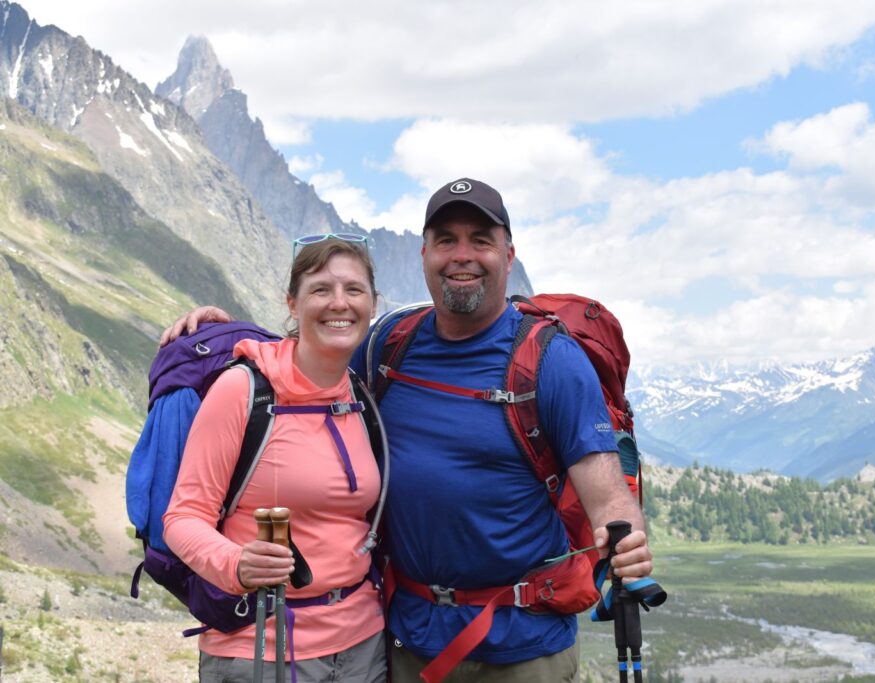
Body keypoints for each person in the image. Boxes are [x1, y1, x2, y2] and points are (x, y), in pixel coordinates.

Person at [163, 177, 653, 682]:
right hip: (408, 642)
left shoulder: (550, 360)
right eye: (446, 240)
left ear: (508, 256)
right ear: (424, 256)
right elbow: (313, 352)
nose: (462, 255)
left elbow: (608, 497)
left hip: (523, 648)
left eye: (480, 240)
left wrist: (627, 541)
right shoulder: (390, 345)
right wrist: (223, 334)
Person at [163, 237, 387, 682]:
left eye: (354, 290)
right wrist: (235, 563)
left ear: (373, 304)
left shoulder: (362, 393)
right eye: (320, 289)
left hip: (363, 646)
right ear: (292, 303)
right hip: (260, 647)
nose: (339, 303)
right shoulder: (243, 390)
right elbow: (183, 517)